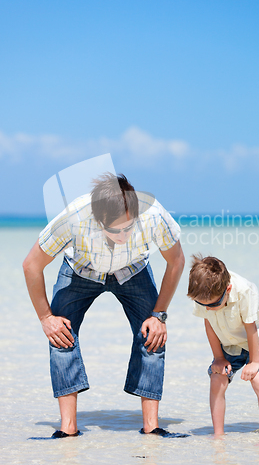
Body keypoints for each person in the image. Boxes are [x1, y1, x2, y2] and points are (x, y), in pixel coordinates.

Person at [23, 173, 185, 438]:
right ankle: (68, 429)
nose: (124, 234)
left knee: (153, 335)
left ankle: (152, 427)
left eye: (129, 227)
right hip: (81, 271)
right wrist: (45, 318)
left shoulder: (153, 214)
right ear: (97, 221)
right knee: (60, 335)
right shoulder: (74, 216)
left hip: (133, 270)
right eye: (115, 230)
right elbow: (31, 265)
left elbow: (176, 261)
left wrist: (159, 314)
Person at [187, 255, 259, 446]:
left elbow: (250, 326)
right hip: (230, 339)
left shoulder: (245, 290)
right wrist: (218, 358)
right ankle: (218, 436)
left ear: (227, 289)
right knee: (217, 377)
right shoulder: (203, 295)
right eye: (202, 305)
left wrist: (254, 362)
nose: (208, 309)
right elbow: (209, 324)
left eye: (212, 304)